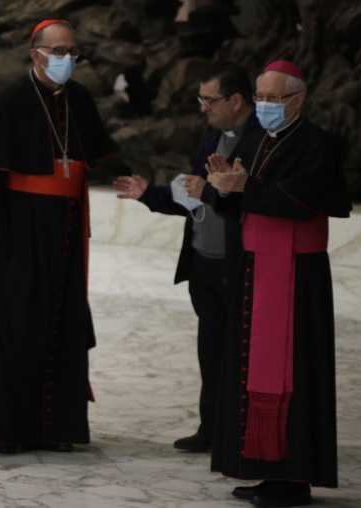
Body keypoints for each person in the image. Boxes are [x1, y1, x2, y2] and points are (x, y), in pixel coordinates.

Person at [0, 19, 117, 454]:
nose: (66, 59)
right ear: (36, 54)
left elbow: (100, 155)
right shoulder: (9, 100)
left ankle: (55, 426)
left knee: (61, 322)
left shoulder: (81, 99)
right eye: (58, 51)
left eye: (72, 51)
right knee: (12, 325)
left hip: (66, 229)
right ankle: (3, 427)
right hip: (19, 228)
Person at [206, 60, 350, 507]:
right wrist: (223, 188)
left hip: (296, 277)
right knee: (250, 370)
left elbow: (306, 200)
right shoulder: (256, 138)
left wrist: (243, 187)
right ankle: (265, 471)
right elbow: (237, 200)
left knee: (295, 371)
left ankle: (294, 477)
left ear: (298, 99)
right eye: (261, 97)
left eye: (274, 98)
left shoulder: (317, 144)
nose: (265, 106)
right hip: (255, 270)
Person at [113, 63, 262, 453]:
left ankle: (243, 432)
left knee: (242, 353)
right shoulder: (212, 139)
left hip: (241, 263)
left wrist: (218, 189)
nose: (202, 108)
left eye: (209, 100)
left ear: (235, 100)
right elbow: (192, 194)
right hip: (204, 261)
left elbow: (253, 199)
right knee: (210, 350)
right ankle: (211, 428)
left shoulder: (261, 141)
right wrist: (149, 194)